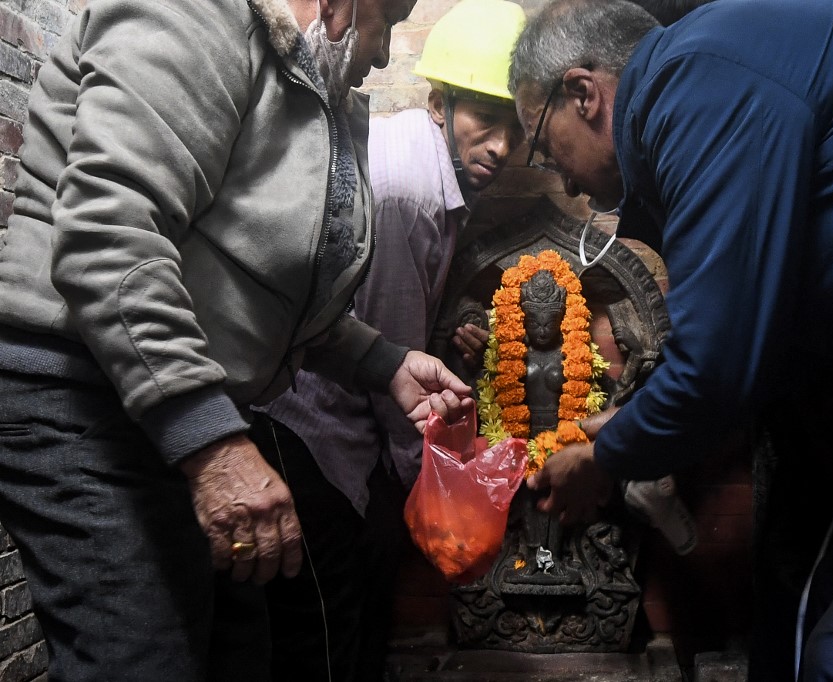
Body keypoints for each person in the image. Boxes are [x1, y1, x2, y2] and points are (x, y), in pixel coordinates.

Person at [509, 0, 833, 679]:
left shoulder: (692, 81)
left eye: (546, 146)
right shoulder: (708, 74)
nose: (564, 178)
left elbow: (719, 365)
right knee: (808, 605)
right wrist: (624, 426)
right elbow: (750, 328)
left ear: (584, 93)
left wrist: (608, 457)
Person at [0, 0, 476, 679]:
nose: (381, 52)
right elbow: (109, 238)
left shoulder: (303, 87)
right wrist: (215, 448)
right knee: (145, 663)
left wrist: (385, 363)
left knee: (240, 657)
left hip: (163, 395)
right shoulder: (192, 13)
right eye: (389, 19)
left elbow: (250, 291)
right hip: (83, 394)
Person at [249, 1, 525, 678]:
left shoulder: (420, 159)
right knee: (326, 640)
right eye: (484, 118)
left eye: (515, 128)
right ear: (440, 100)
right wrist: (426, 484)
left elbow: (388, 315)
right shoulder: (413, 190)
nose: (500, 145)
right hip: (308, 433)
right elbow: (390, 356)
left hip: (328, 424)